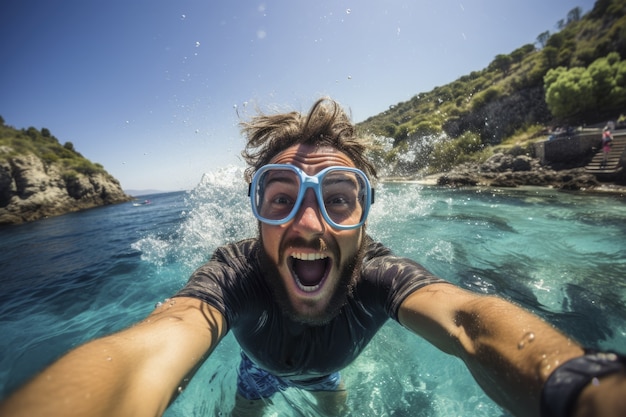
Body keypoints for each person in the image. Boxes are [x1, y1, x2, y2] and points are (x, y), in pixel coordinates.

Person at [1, 98, 625, 417]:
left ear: (363, 218)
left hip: (327, 374)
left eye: (337, 199)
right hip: (257, 373)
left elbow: (467, 321)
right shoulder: (236, 271)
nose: (308, 224)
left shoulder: (380, 275)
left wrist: (580, 386)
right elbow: (161, 340)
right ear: (255, 214)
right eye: (279, 200)